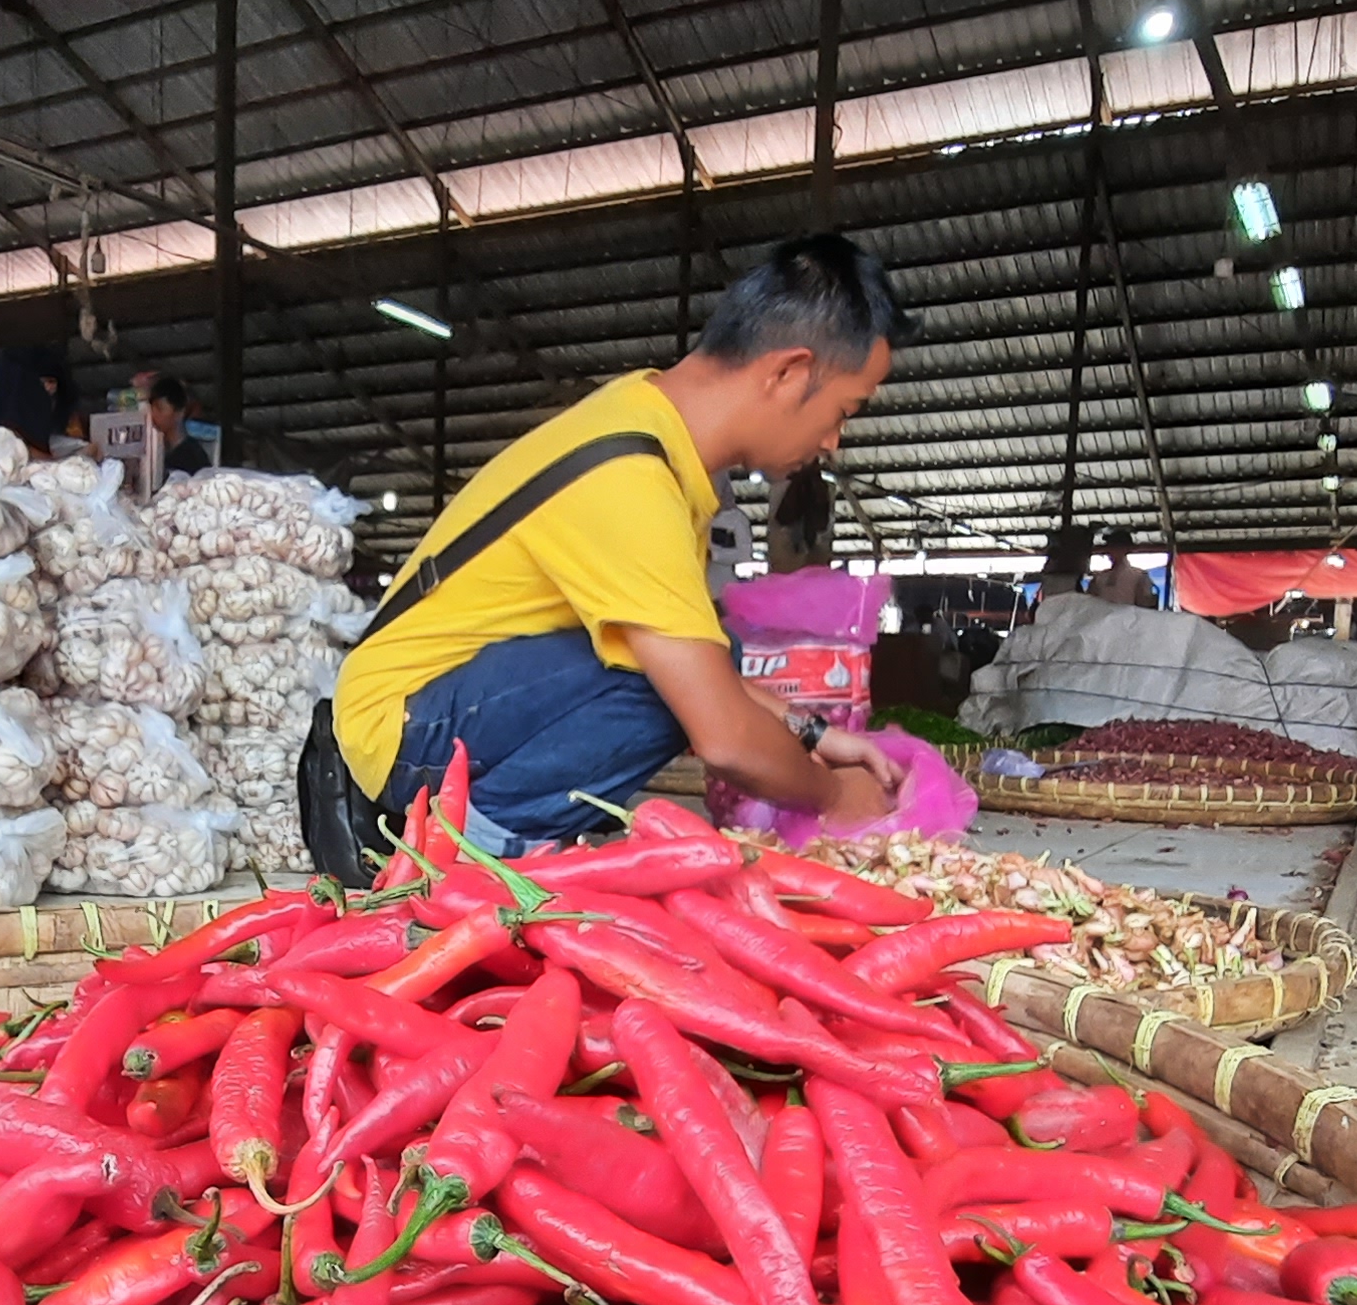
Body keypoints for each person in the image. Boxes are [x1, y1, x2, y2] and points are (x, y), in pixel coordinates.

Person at [308, 234, 909, 870]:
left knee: (703, 657)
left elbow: (708, 675)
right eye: (845, 409)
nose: (834, 441)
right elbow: (727, 737)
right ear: (789, 373)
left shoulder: (652, 428)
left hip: (441, 705)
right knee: (671, 690)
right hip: (402, 727)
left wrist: (818, 734)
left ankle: (504, 837)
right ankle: (475, 858)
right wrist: (834, 796)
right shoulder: (629, 478)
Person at [142, 372, 215, 474]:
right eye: (152, 409)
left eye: (160, 408)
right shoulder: (160, 452)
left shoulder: (192, 456)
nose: (154, 415)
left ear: (179, 412)